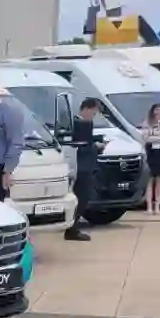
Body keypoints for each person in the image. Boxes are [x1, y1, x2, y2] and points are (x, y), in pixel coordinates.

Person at [64, 98, 104, 242]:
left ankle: (73, 226)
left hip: (87, 165)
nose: (93, 117)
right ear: (86, 109)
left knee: (85, 196)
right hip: (80, 166)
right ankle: (72, 228)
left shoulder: (86, 124)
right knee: (81, 197)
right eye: (93, 113)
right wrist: (95, 147)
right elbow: (80, 146)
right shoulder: (78, 124)